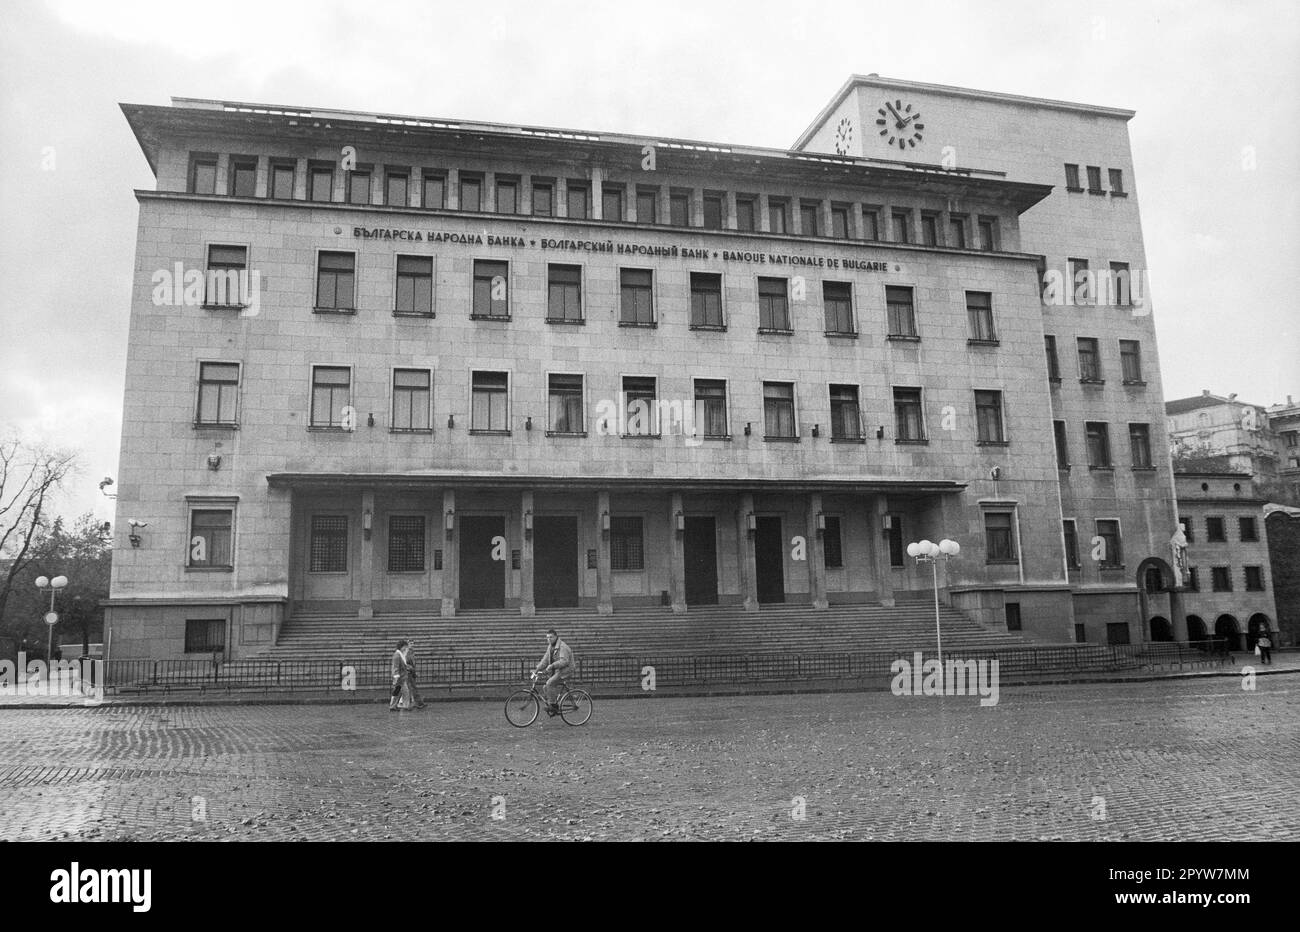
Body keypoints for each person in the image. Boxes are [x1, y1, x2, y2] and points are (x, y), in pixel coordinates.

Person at [534, 628, 574, 715]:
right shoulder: (550, 647)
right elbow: (545, 660)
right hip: (559, 670)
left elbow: (564, 661)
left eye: (551, 637)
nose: (549, 639)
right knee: (545, 687)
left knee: (550, 683)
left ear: (556, 637)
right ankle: (553, 703)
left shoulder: (562, 647)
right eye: (547, 638)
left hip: (566, 670)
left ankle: (553, 706)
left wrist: (552, 666)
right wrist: (537, 669)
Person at [390, 639, 411, 711]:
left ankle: (393, 706)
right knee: (405, 692)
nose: (406, 648)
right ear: (401, 647)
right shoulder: (397, 655)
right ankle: (405, 706)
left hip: (401, 677)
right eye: (405, 647)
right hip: (400, 678)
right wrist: (396, 676)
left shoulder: (400, 654)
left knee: (397, 692)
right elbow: (395, 666)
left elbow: (400, 665)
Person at [404, 640, 426, 708]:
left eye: (413, 643)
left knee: (413, 688)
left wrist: (414, 671)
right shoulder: (406, 652)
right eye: (410, 643)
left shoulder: (412, 652)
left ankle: (417, 703)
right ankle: (418, 703)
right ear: (407, 644)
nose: (412, 645)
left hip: (412, 671)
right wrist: (410, 669)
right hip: (408, 672)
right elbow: (406, 662)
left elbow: (413, 662)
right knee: (413, 688)